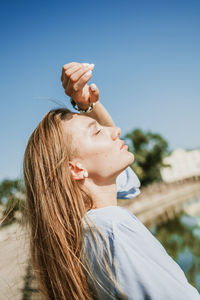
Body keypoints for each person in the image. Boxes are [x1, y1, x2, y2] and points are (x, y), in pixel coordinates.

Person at [23, 62, 200, 300]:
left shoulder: (87, 231)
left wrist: (87, 105)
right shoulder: (113, 229)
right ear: (76, 169)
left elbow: (130, 185)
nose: (114, 130)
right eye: (96, 132)